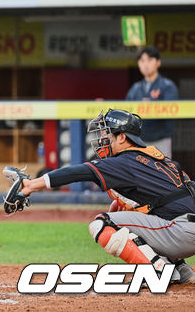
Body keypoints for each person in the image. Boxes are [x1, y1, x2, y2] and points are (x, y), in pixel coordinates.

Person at [13, 109, 195, 284]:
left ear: (122, 137)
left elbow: (78, 172)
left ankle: (156, 273)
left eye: (108, 135)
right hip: (184, 230)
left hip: (180, 233)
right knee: (136, 219)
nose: (103, 140)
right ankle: (181, 271)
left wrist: (30, 185)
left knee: (102, 224)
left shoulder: (125, 160)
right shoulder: (159, 159)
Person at [126, 46, 178, 157]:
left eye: (149, 60)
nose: (145, 64)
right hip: (138, 141)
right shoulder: (135, 88)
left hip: (161, 140)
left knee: (163, 172)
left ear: (158, 62)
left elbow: (171, 113)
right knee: (139, 173)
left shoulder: (167, 86)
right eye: (142, 61)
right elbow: (126, 114)